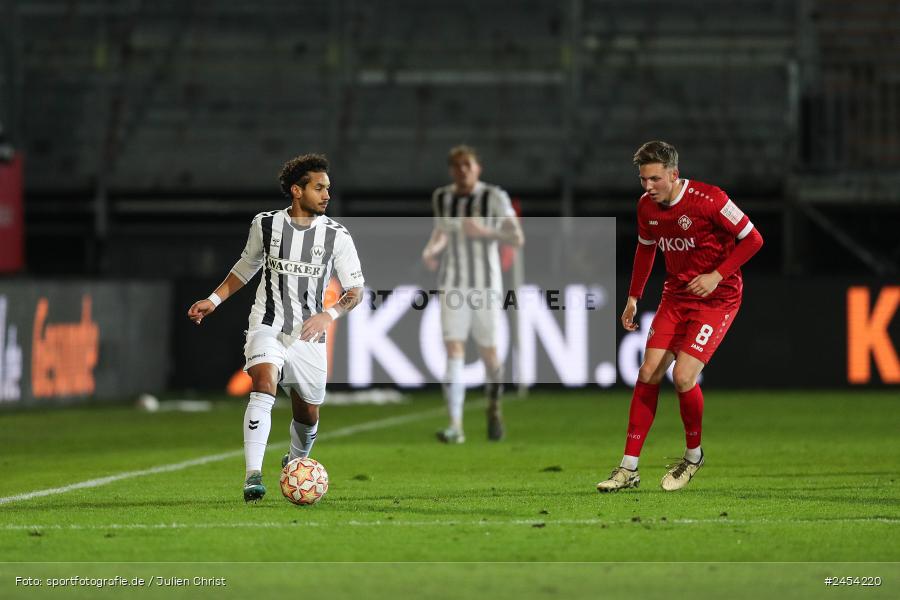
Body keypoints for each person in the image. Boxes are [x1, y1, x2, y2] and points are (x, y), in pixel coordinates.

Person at [187, 154, 365, 502]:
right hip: (267, 323)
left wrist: (328, 315)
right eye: (319, 188)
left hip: (310, 334)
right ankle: (253, 475)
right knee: (264, 382)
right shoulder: (265, 225)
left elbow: (355, 291)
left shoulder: (337, 236)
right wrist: (214, 299)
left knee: (308, 411)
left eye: (328, 188)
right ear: (297, 191)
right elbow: (246, 267)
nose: (327, 194)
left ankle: (296, 463)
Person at [596, 141, 763, 492]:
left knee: (684, 377)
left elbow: (753, 239)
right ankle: (628, 468)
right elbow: (645, 250)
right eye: (643, 179)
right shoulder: (646, 207)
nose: (647, 187)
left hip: (718, 298)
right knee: (648, 371)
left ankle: (693, 455)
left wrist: (717, 275)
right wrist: (633, 297)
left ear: (674, 174)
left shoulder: (711, 200)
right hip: (676, 296)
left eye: (654, 178)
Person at [421, 145, 524, 443]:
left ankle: (494, 406)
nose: (462, 170)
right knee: (453, 349)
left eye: (467, 164)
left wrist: (486, 232)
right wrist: (431, 250)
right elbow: (441, 231)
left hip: (486, 287)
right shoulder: (442, 197)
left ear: (477, 168)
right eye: (456, 166)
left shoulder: (494, 196)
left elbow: (516, 236)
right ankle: (456, 426)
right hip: (452, 283)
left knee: (490, 356)